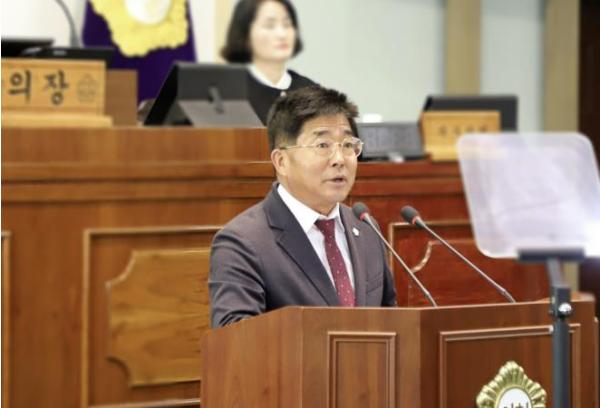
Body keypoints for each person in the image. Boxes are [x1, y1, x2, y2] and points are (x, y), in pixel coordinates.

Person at [209, 86, 397, 328]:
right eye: (323, 145)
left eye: (348, 144)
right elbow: (235, 340)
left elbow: (390, 322)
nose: (339, 159)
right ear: (281, 161)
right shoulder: (243, 242)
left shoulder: (366, 229)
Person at [221, 0, 317, 124]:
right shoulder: (229, 92)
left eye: (287, 25)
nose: (282, 34)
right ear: (245, 34)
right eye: (269, 26)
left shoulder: (311, 92)